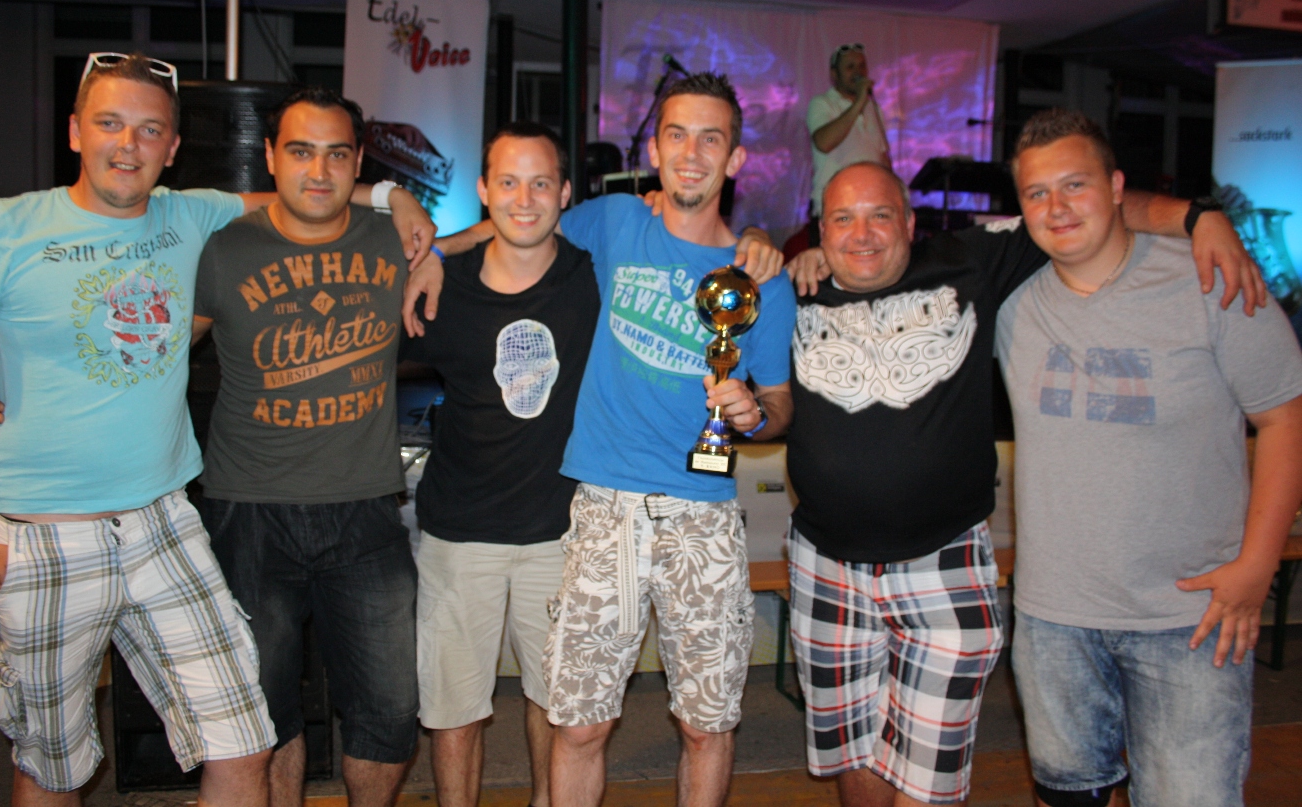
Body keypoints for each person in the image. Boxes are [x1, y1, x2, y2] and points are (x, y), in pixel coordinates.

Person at [0, 53, 433, 807]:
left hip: (164, 521)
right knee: (54, 766)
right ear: (74, 131)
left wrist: (395, 197)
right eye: (110, 123)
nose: (129, 144)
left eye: (150, 129)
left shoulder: (189, 216)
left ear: (173, 147)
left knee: (245, 739)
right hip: (46, 532)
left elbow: (306, 188)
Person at [783, 159, 1265, 807]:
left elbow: (1081, 209)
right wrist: (768, 247)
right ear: (821, 230)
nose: (862, 233)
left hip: (944, 559)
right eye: (843, 219)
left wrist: (1198, 217)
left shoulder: (969, 260)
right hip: (824, 562)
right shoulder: (795, 289)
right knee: (852, 751)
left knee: (927, 776)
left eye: (880, 216)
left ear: (911, 223)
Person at [413, 73, 796, 807]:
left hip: (703, 514)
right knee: (581, 723)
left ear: (735, 158)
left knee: (707, 725)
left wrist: (753, 414)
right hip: (602, 507)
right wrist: (436, 252)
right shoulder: (616, 221)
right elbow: (522, 218)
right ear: (654, 149)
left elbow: (781, 404)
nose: (691, 153)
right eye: (676, 134)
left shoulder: (760, 280)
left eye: (710, 138)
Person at [995, 109, 1302, 807]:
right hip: (1053, 619)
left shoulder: (1210, 279)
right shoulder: (1011, 297)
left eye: (1075, 185)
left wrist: (1258, 565)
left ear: (1116, 188)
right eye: (1038, 193)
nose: (1057, 207)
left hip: (1189, 617)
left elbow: (1286, 416)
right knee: (1069, 797)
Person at [191, 88, 418, 807]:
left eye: (336, 154)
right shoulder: (224, 251)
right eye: (300, 151)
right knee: (262, 712)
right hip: (249, 512)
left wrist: (426, 233)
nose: (318, 171)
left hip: (366, 509)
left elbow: (495, 239)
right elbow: (150, 363)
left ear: (357, 162)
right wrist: (18, 403)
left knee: (389, 710)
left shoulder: (395, 241)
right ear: (269, 156)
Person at [399, 121, 600, 807]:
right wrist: (434, 251)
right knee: (453, 709)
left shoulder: (589, 277)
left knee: (556, 701)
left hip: (560, 533)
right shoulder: (441, 286)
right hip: (459, 532)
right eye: (508, 182)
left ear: (565, 192)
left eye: (541, 182)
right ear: (484, 190)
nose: (524, 198)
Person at [807, 43, 891, 216]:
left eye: (862, 66)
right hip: (835, 208)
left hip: (870, 206)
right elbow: (824, 143)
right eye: (850, 67)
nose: (858, 72)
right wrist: (859, 102)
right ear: (834, 74)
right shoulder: (822, 103)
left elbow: (882, 157)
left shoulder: (873, 108)